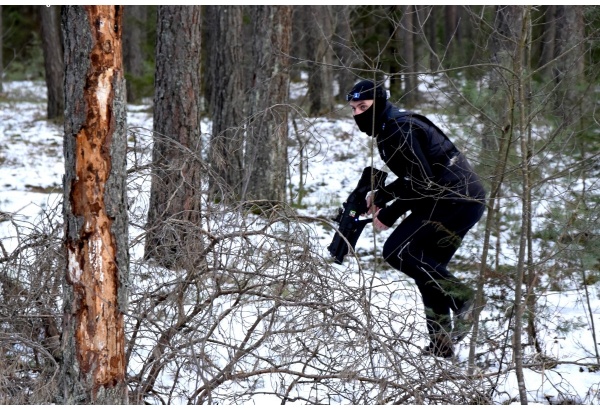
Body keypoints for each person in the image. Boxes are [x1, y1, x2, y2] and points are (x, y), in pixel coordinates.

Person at [346, 79, 486, 358]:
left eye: (364, 106)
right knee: (427, 272)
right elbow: (417, 175)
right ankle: (441, 347)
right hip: (460, 198)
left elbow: (424, 182)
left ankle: (464, 297)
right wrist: (382, 195)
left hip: (454, 199)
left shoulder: (398, 128)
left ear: (380, 103)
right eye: (353, 108)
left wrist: (390, 212)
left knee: (397, 250)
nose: (358, 114)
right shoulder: (391, 127)